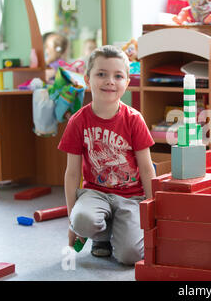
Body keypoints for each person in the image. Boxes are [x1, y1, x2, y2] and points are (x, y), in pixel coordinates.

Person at [58, 45, 156, 265]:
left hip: (131, 197)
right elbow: (72, 173)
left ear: (127, 83)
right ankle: (100, 237)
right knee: (82, 220)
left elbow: (148, 168)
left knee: (129, 256)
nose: (110, 81)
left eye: (118, 76)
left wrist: (151, 210)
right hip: (95, 194)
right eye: (101, 74)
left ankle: (113, 228)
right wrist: (72, 220)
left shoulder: (134, 119)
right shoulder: (78, 121)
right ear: (87, 79)